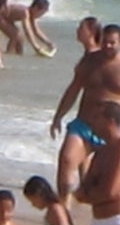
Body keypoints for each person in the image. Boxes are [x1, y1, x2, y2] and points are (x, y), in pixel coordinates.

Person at [51, 24, 120, 202]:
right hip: (84, 125)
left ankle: (102, 222)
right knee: (66, 161)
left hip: (112, 132)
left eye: (112, 43)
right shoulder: (89, 61)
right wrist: (58, 116)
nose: (108, 46)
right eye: (105, 42)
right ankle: (63, 214)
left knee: (106, 186)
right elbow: (73, 90)